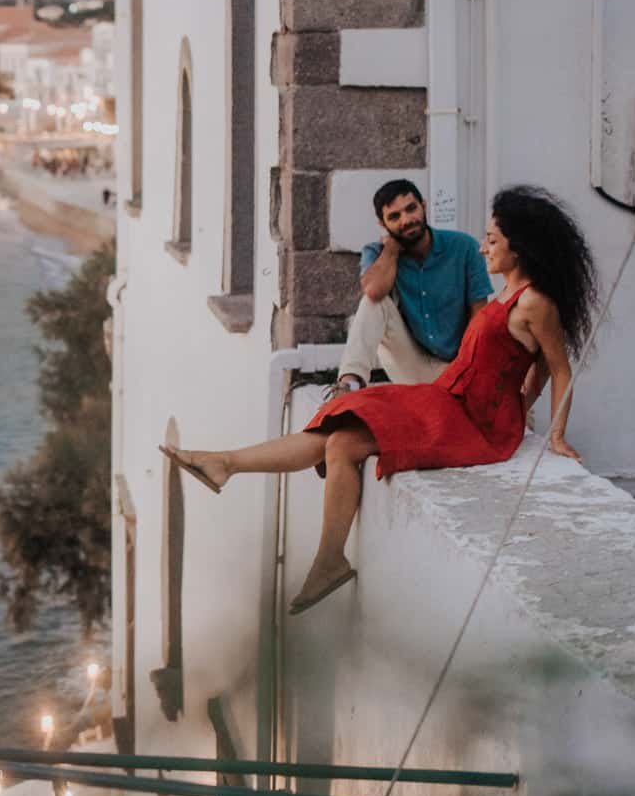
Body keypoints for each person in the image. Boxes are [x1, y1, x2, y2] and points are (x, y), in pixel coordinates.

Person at [159, 185, 600, 617]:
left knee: (347, 439)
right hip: (450, 397)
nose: (485, 249)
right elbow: (534, 368)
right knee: (340, 429)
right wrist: (522, 401)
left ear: (517, 248)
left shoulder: (534, 302)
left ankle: (315, 548)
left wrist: (552, 433)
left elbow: (556, 367)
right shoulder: (507, 291)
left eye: (492, 240)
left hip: (477, 424)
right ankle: (231, 467)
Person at [328, 179, 494, 402]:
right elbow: (375, 291)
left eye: (411, 208)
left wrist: (469, 372)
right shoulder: (378, 252)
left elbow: (479, 316)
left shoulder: (463, 247)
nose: (406, 220)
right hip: (411, 365)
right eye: (394, 217)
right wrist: (392, 249)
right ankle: (350, 385)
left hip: (459, 367)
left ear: (423, 206)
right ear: (382, 224)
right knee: (375, 303)